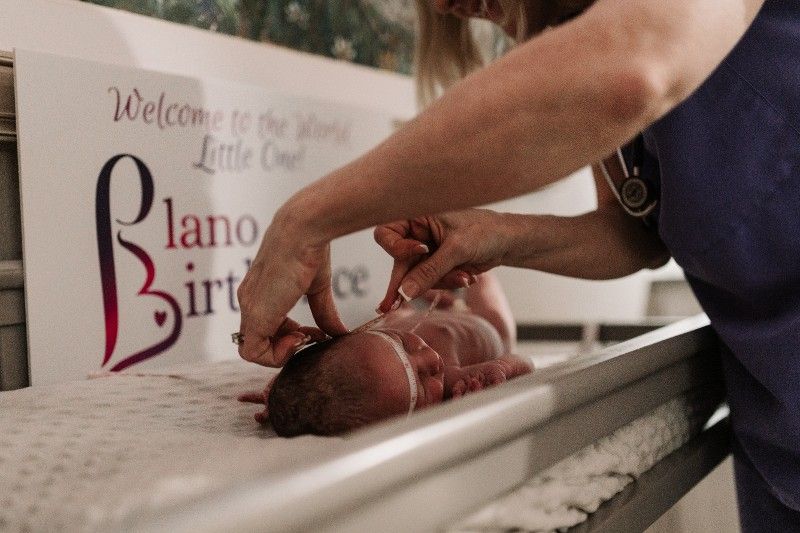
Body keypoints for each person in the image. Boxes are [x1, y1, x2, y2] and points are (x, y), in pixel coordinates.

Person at [235, 0, 798, 530]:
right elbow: (639, 234)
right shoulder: (580, 30)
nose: (442, 6)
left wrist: (308, 219)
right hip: (774, 419)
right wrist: (493, 236)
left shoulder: (623, 49)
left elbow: (635, 68)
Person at [239, 274, 532, 436]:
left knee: (401, 311)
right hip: (481, 327)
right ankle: (481, 277)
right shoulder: (451, 382)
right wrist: (502, 369)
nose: (431, 360)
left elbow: (318, 371)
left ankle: (431, 301)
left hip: (411, 318)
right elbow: (526, 362)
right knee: (490, 301)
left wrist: (285, 391)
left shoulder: (356, 351)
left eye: (403, 345)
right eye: (422, 379)